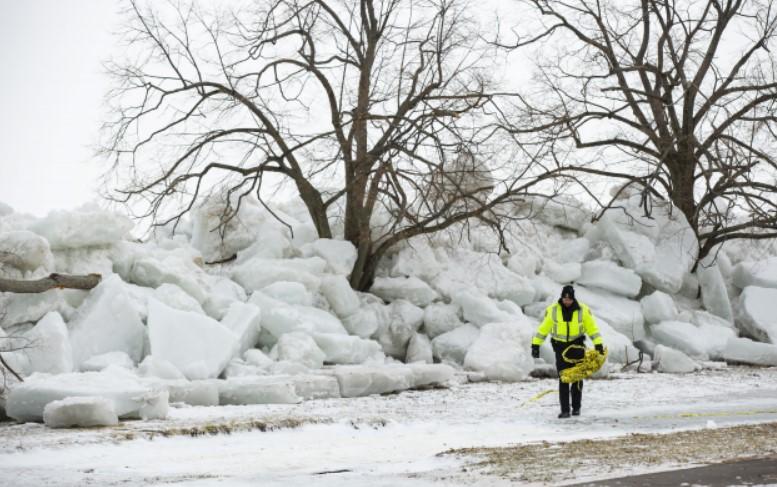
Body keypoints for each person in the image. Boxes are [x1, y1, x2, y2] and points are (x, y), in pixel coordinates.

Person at [531, 285, 604, 418]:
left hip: (577, 346)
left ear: (573, 298)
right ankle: (565, 410)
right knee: (563, 378)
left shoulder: (583, 310)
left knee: (577, 378)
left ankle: (576, 407)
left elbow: (592, 329)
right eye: (565, 299)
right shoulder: (553, 311)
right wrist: (535, 345)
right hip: (560, 347)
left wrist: (598, 344)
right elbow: (543, 329)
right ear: (562, 297)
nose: (567, 301)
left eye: (569, 299)